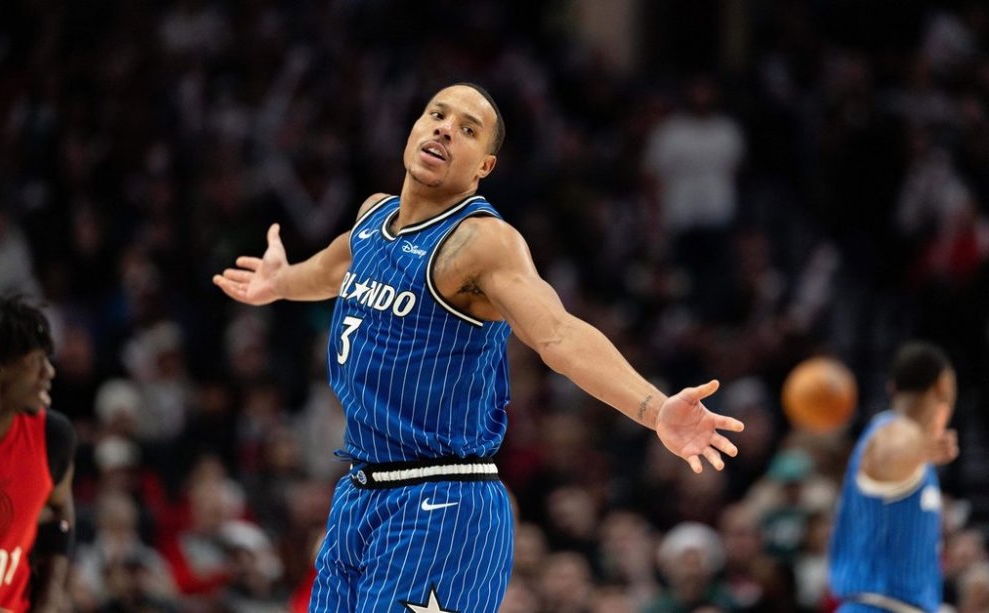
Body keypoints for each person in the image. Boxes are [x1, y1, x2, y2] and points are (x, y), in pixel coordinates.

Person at [213, 82, 744, 612]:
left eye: (468, 129)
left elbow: (558, 334)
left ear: (484, 166)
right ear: (414, 128)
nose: (446, 129)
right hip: (360, 493)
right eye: (437, 114)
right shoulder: (374, 218)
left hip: (443, 500)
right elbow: (330, 270)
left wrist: (654, 410)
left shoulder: (481, 242)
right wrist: (279, 282)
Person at [829, 341, 959, 612]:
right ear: (942, 386)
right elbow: (890, 451)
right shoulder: (892, 430)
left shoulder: (902, 445)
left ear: (892, 388)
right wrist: (917, 448)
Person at [0, 296, 76, 612]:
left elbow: (60, 515)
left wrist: (50, 598)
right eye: (36, 360)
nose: (49, 372)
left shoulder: (52, 437)